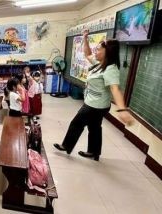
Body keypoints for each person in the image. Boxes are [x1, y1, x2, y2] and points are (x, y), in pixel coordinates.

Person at [54, 29, 134, 161]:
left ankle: (66, 145)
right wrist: (85, 38)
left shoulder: (110, 69)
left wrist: (122, 109)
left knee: (76, 123)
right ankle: (94, 152)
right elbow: (87, 53)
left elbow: (115, 89)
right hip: (95, 103)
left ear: (107, 52)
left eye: (98, 50)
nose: (95, 52)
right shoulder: (100, 64)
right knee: (95, 127)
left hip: (95, 105)